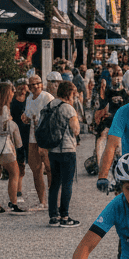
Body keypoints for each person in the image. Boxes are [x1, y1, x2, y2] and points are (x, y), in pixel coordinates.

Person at [0, 82, 28, 214]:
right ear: (6, 93)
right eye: (11, 92)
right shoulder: (3, 108)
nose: (13, 94)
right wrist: (12, 123)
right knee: (15, 173)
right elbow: (4, 129)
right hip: (3, 146)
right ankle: (13, 202)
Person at [44, 81, 82, 227]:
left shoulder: (49, 105)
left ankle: (53, 216)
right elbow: (76, 130)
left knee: (54, 183)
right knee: (67, 183)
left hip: (52, 149)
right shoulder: (68, 109)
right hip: (67, 149)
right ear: (69, 93)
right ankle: (65, 216)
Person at [21, 74, 54, 211]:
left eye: (37, 83)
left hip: (45, 138)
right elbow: (28, 115)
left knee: (49, 168)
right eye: (32, 84)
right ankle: (42, 201)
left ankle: (53, 201)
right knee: (35, 170)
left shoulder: (47, 97)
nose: (35, 86)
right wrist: (25, 118)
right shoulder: (29, 98)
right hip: (33, 138)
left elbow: (53, 115)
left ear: (42, 84)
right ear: (28, 87)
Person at [10, 78, 32, 204]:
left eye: (25, 86)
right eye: (21, 86)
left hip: (28, 133)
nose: (23, 89)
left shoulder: (30, 99)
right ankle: (18, 189)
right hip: (16, 134)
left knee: (29, 161)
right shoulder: (12, 101)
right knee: (19, 162)